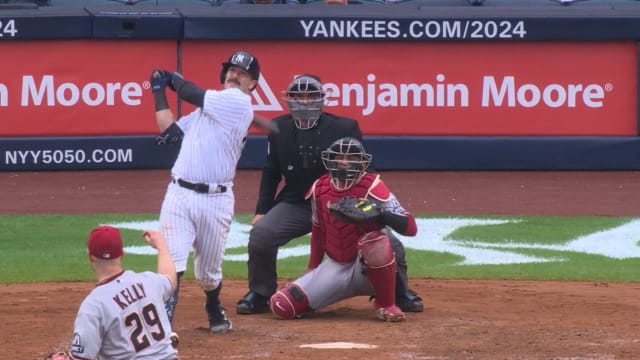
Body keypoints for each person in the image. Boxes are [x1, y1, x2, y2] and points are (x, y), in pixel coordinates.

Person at [236, 74, 423, 315]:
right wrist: (262, 210)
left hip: (342, 203)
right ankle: (260, 293)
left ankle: (399, 292)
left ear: (322, 98)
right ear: (289, 99)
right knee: (261, 234)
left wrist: (370, 208)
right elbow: (271, 172)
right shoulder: (278, 128)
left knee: (390, 242)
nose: (304, 102)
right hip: (297, 202)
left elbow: (364, 169)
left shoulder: (344, 127)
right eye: (299, 96)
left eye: (310, 95)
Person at [150, 50, 263, 334]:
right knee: (173, 261)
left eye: (243, 73)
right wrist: (158, 91)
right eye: (231, 70)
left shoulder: (239, 104)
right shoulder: (204, 110)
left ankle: (213, 304)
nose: (235, 75)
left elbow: (189, 91)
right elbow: (170, 135)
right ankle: (165, 325)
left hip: (216, 200)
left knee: (208, 274)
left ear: (252, 84)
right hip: (179, 194)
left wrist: (172, 79)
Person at [269, 137, 418, 321]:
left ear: (362, 163)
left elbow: (411, 228)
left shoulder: (373, 186)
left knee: (376, 241)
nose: (345, 162)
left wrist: (381, 215)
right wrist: (312, 267)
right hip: (336, 264)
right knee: (282, 306)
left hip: (369, 269)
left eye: (352, 158)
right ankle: (318, 295)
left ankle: (387, 304)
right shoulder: (320, 188)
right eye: (340, 157)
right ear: (330, 160)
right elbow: (317, 229)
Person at [68, 225, 179, 359]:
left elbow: (82, 357)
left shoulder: (93, 305)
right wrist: (162, 245)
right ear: (122, 255)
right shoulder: (149, 281)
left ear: (90, 257)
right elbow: (170, 279)